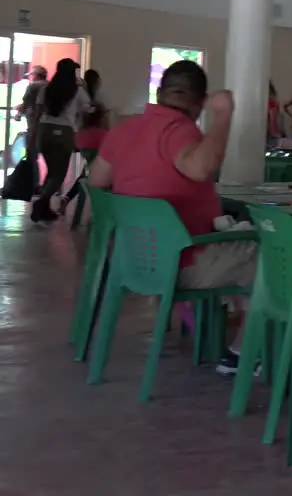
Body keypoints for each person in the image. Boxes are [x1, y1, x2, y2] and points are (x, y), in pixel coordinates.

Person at [88, 60, 256, 375]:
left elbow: (97, 181)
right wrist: (223, 115)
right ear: (199, 103)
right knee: (270, 253)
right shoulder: (179, 130)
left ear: (160, 92)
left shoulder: (125, 130)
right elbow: (200, 167)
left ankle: (222, 329)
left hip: (133, 260)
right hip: (184, 264)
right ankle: (242, 353)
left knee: (238, 247)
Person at [31, 58, 92, 222]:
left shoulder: (46, 89)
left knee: (52, 172)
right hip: (64, 132)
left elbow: (37, 113)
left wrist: (33, 136)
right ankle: (41, 203)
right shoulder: (77, 91)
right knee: (59, 174)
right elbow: (88, 108)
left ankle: (44, 209)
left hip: (44, 131)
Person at [267, 81, 283, 148]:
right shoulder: (273, 102)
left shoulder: (271, 103)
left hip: (270, 132)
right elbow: (274, 118)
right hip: (272, 132)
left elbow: (273, 118)